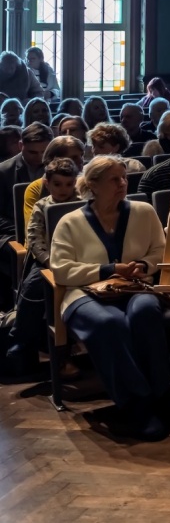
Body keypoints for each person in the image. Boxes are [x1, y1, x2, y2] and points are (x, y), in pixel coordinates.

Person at [49, 156, 170, 441]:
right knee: (110, 324)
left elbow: (160, 250)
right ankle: (138, 403)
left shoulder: (143, 211)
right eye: (114, 179)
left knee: (145, 311)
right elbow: (61, 269)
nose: (123, 183)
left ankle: (161, 392)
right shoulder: (69, 222)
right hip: (83, 293)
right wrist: (108, 269)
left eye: (123, 178)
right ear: (93, 185)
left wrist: (144, 266)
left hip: (134, 287)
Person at [3, 157, 80, 375]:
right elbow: (35, 239)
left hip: (79, 258)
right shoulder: (42, 205)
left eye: (69, 184)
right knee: (32, 286)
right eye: (57, 184)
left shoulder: (83, 201)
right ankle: (19, 337)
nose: (63, 189)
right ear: (47, 183)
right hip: (48, 259)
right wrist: (48, 261)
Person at [20, 134, 84, 229]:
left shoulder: (87, 184)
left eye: (81, 155)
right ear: (56, 160)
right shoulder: (35, 189)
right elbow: (33, 230)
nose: (81, 161)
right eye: (74, 157)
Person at [0, 122, 51, 240]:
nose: (40, 157)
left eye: (44, 152)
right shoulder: (3, 172)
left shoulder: (56, 167)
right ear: (20, 145)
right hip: (13, 234)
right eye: (32, 152)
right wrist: (27, 229)